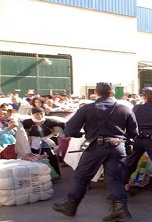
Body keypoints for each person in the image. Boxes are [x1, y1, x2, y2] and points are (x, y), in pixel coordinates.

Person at [53, 82, 138, 221]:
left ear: (96, 93)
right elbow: (134, 133)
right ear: (112, 93)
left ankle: (70, 205)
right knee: (115, 180)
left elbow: (69, 130)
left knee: (81, 176)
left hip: (95, 147)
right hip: (117, 147)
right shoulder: (125, 108)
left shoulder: (87, 108)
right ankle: (121, 210)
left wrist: (80, 135)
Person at [22, 107, 66, 177]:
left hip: (48, 143)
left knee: (52, 157)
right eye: (37, 114)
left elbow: (62, 124)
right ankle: (39, 176)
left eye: (41, 114)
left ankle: (56, 175)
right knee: (36, 159)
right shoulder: (27, 122)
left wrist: (62, 134)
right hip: (34, 143)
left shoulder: (50, 121)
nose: (39, 116)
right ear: (32, 114)